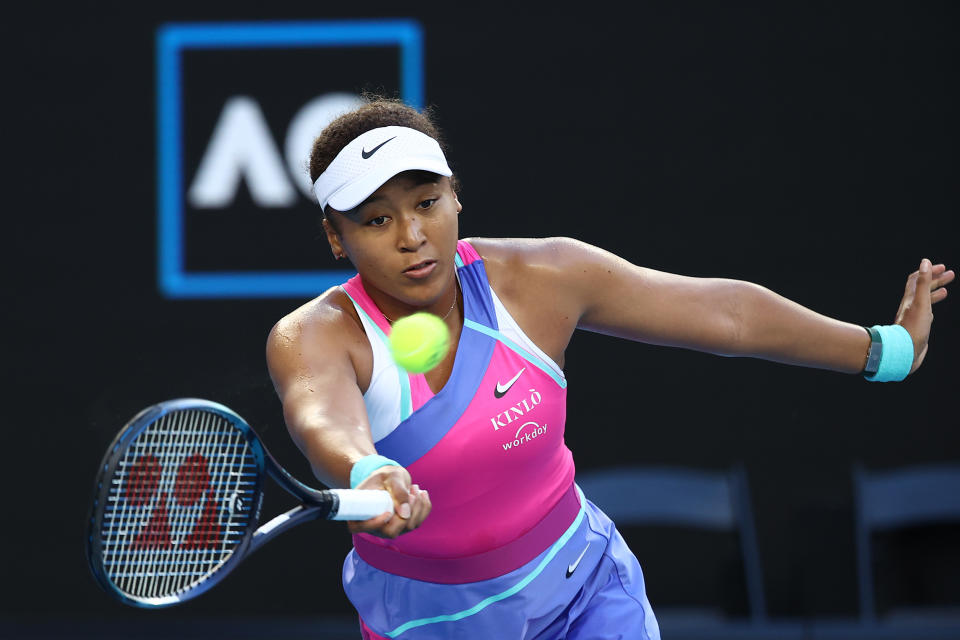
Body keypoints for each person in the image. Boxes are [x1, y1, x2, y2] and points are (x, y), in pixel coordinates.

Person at [266, 98, 953, 640]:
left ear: (456, 194)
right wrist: (366, 470)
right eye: (377, 220)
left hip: (587, 591)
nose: (413, 237)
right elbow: (320, 414)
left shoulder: (540, 278)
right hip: (433, 623)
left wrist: (885, 351)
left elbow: (726, 316)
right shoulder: (315, 335)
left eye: (426, 203)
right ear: (336, 234)